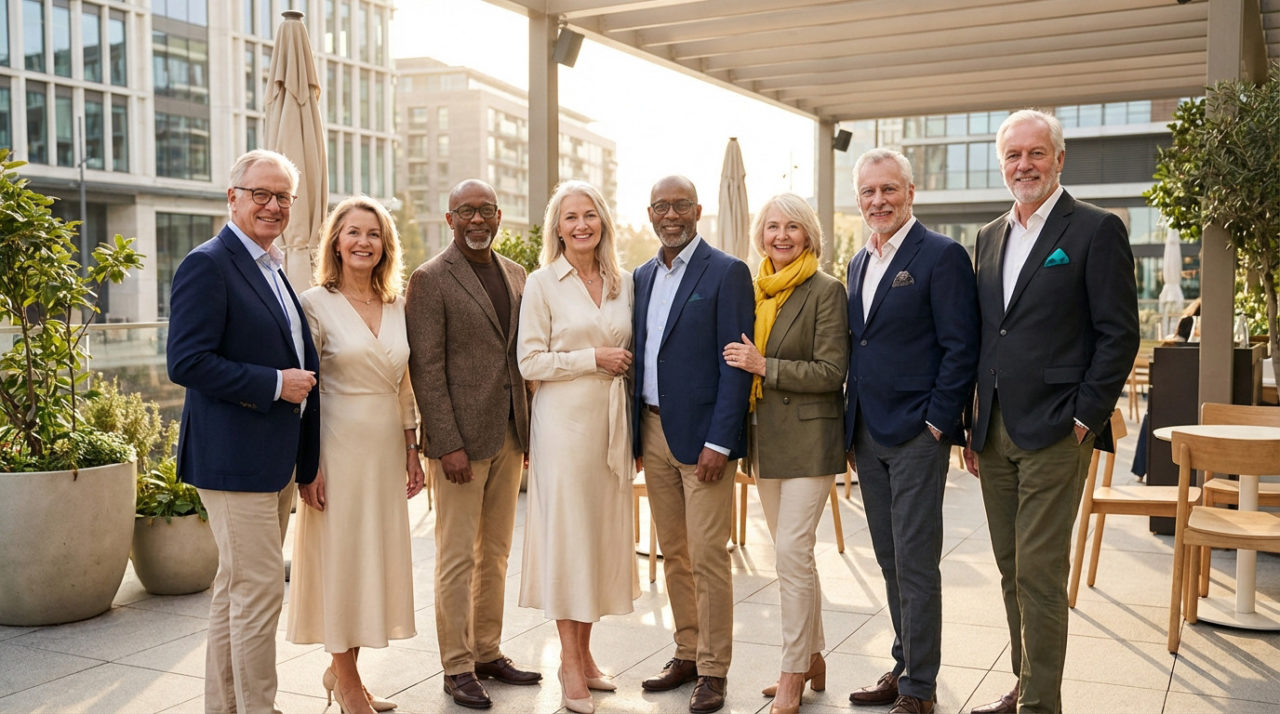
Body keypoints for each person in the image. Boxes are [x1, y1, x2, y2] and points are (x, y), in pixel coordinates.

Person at [964, 110, 1139, 714]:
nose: (1024, 165)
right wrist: (972, 421)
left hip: (1058, 429)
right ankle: (1025, 686)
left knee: (1038, 572)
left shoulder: (1095, 229)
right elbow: (989, 335)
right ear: (1002, 163)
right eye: (1013, 156)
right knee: (1011, 568)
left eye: (1036, 153)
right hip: (994, 430)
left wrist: (1086, 418)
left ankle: (1041, 705)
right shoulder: (988, 237)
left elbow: (1118, 334)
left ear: (1059, 159)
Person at [166, 149, 320, 714]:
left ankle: (225, 708)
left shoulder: (273, 266)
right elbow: (185, 361)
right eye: (261, 194)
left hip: (271, 458)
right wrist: (275, 382)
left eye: (283, 196)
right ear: (232, 197)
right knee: (257, 593)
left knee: (235, 591)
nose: (273, 205)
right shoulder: (208, 263)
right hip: (234, 461)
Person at [843, 150, 979, 714]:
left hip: (918, 434)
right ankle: (903, 666)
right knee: (888, 556)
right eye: (869, 192)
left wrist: (937, 425)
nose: (879, 201)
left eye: (889, 190)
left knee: (916, 560)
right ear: (859, 199)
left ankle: (920, 688)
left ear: (910, 192)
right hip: (868, 434)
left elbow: (961, 347)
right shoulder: (857, 262)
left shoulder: (941, 256)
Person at [286, 196, 426, 714]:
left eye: (373, 233)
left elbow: (404, 387)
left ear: (385, 244)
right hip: (336, 446)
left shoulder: (396, 305)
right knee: (342, 561)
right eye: (353, 232)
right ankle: (346, 683)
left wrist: (412, 451)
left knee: (371, 561)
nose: (363, 241)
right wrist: (311, 461)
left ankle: (348, 671)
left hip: (386, 446)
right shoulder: (313, 303)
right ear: (336, 242)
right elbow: (307, 392)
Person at [405, 179, 541, 710]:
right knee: (456, 557)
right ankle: (456, 666)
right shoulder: (430, 279)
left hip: (508, 434)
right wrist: (447, 443)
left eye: (486, 210)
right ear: (450, 219)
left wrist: (525, 430)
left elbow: (517, 358)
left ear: (500, 215)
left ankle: (487, 651)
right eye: (467, 211)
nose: (477, 219)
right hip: (460, 444)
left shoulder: (515, 274)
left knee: (498, 553)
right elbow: (426, 369)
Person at [517, 180, 640, 714]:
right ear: (557, 227)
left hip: (612, 426)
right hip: (563, 427)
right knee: (569, 540)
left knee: (597, 539)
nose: (581, 224)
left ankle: (587, 656)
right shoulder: (543, 284)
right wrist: (593, 358)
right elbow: (530, 363)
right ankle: (568, 663)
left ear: (603, 222)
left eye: (589, 215)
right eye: (570, 217)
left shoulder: (624, 282)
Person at [722, 193, 848, 714]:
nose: (781, 236)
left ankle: (792, 668)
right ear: (760, 235)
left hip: (811, 444)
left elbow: (831, 372)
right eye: (772, 226)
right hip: (766, 444)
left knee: (791, 556)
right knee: (797, 559)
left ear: (809, 235)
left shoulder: (826, 290)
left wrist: (763, 366)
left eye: (792, 227)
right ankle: (814, 656)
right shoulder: (754, 292)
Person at [633, 175, 754, 714]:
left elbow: (736, 365)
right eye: (662, 206)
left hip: (704, 439)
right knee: (674, 551)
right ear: (651, 213)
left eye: (681, 205)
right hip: (653, 431)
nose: (671, 214)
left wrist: (721, 441)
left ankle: (713, 670)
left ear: (698, 209)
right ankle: (686, 651)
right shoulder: (640, 276)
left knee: (708, 556)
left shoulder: (727, 272)